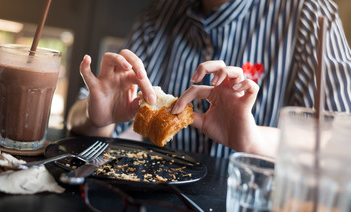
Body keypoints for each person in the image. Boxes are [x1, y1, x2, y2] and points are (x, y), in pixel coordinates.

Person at [67, 0, 351, 159]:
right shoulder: (157, 15)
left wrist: (252, 138)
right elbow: (77, 117)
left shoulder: (310, 15)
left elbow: (342, 138)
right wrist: (98, 117)